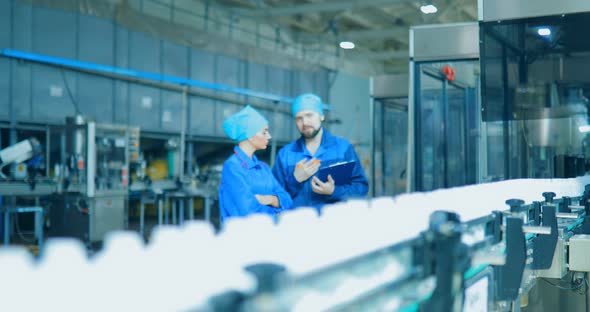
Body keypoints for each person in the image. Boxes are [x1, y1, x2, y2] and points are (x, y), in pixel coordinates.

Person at [272, 93, 369, 211]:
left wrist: (334, 191)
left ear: (321, 116)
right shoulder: (285, 155)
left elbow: (361, 187)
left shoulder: (343, 148)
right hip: (299, 225)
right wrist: (294, 180)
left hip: (333, 223)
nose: (305, 122)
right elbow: (274, 197)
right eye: (299, 118)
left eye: (309, 115)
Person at [218, 105, 293, 223]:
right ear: (250, 136)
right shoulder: (232, 167)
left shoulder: (264, 168)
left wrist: (269, 199)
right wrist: (279, 215)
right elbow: (247, 212)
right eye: (264, 132)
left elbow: (287, 200)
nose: (269, 136)